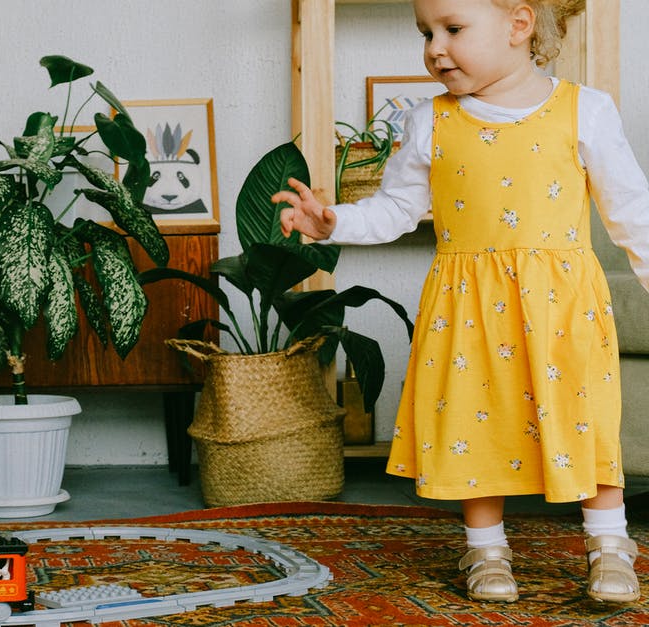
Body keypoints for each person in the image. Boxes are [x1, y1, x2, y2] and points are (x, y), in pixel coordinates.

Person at [271, 0, 648, 604]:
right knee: (477, 418)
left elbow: (633, 213)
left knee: (582, 419)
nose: (434, 48)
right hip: (468, 306)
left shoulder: (585, 110)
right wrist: (331, 220)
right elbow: (397, 209)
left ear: (519, 26)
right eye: (426, 33)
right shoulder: (431, 121)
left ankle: (608, 542)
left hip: (561, 307)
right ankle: (486, 546)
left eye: (452, 30)